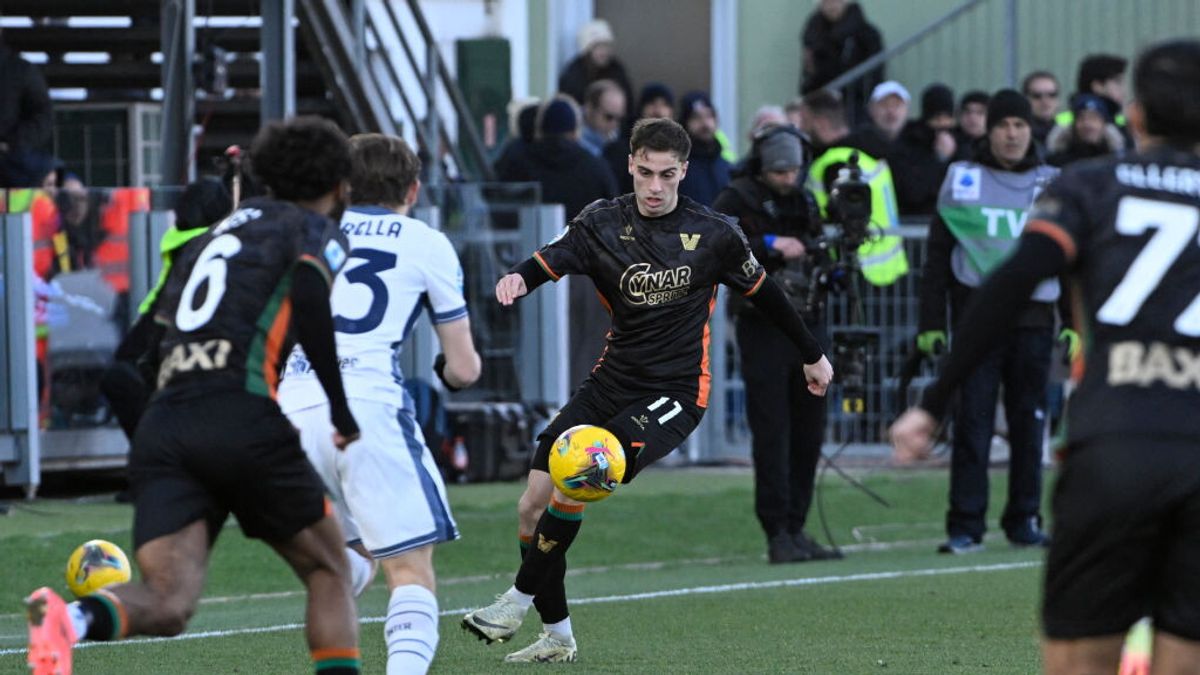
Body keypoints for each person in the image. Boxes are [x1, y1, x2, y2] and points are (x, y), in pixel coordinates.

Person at [460, 118, 833, 662]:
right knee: (530, 506)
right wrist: (519, 277)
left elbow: (767, 293)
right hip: (611, 381)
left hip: (677, 392)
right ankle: (558, 636)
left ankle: (515, 601)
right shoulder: (601, 223)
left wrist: (812, 354)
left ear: (683, 172)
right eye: (644, 173)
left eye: (666, 175)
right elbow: (551, 259)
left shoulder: (715, 233)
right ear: (629, 165)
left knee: (581, 471)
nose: (654, 187)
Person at [893, 39, 1200, 674]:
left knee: (1078, 661)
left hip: (1113, 445)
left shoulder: (1089, 186)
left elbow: (1009, 283)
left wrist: (934, 402)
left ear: (1134, 116)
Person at [25, 116, 364, 675]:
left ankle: (71, 621)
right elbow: (307, 292)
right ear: (337, 184)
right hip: (242, 414)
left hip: (167, 426)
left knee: (167, 602)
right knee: (331, 569)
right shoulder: (311, 228)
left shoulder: (210, 238)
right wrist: (342, 412)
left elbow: (155, 343)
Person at [279, 133, 481, 674]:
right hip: (365, 407)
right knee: (411, 571)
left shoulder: (307, 233)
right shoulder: (426, 242)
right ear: (413, 189)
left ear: (342, 186)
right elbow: (462, 369)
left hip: (290, 411)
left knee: (348, 560)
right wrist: (447, 372)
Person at [915, 90, 1063, 555]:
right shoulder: (962, 180)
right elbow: (937, 256)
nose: (1013, 133)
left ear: (1030, 129)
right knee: (973, 423)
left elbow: (1072, 257)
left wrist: (1076, 321)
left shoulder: (1051, 183)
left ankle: (1025, 520)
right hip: (976, 319)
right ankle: (965, 525)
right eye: (1004, 125)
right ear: (988, 129)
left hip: (1036, 320)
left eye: (1020, 124)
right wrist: (931, 320)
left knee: (1028, 423)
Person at [712, 126, 841, 564]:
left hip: (809, 324)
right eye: (781, 170)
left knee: (809, 431)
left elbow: (821, 247)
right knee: (772, 430)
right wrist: (771, 244)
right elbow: (719, 241)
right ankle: (777, 531)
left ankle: (797, 524)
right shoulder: (738, 199)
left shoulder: (805, 200)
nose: (789, 178)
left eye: (794, 170)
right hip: (763, 327)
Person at [800, 89, 909, 287]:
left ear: (821, 123)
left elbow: (837, 216)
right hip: (888, 268)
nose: (801, 129)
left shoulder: (835, 164)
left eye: (805, 122)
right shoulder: (867, 154)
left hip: (857, 270)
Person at [800, 0, 883, 122]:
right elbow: (808, 70)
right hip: (820, 105)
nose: (832, 5)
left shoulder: (866, 34)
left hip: (855, 104)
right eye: (826, 2)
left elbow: (875, 72)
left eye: (836, 1)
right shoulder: (813, 34)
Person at [891, 83, 957, 216]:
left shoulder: (960, 141)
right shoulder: (909, 142)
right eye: (937, 119)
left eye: (947, 118)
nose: (942, 124)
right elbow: (913, 192)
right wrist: (939, 161)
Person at [0, 27, 53, 187]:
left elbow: (43, 116)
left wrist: (10, 144)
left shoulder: (21, 70)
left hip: (12, 160)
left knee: (60, 180)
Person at [603, 82, 675, 194]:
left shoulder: (678, 150)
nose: (658, 110)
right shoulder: (620, 150)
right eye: (652, 104)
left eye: (664, 105)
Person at [557, 19, 634, 118]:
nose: (604, 51)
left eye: (606, 46)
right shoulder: (572, 75)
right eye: (598, 46)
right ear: (587, 50)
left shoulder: (616, 70)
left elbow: (628, 106)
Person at [676, 91, 731, 207]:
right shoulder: (677, 168)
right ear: (685, 123)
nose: (705, 123)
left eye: (709, 116)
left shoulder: (727, 168)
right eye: (696, 117)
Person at [1045, 94, 1125, 167]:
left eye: (1093, 118)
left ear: (1104, 125)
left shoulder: (1118, 164)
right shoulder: (1056, 162)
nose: (1087, 124)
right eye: (1082, 118)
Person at [579, 79, 626, 157]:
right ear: (589, 109)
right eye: (608, 117)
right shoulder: (572, 138)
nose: (614, 124)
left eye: (619, 119)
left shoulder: (614, 140)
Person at [1021, 70, 1061, 145]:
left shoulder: (1068, 136)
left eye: (1052, 95)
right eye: (1037, 96)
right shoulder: (1018, 138)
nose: (1045, 101)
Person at [952, 90, 990, 159]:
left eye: (980, 112)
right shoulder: (949, 141)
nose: (972, 117)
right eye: (967, 112)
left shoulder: (996, 146)